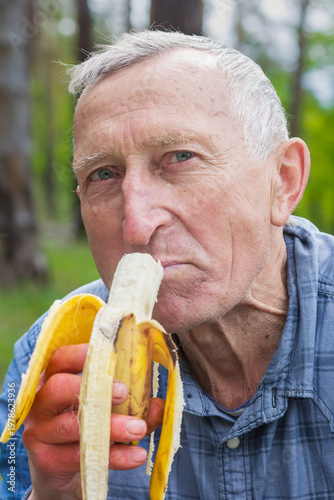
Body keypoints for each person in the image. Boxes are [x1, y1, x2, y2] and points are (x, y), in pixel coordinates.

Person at [1, 29, 334, 500]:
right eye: (103, 174)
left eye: (180, 157)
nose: (136, 226)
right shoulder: (50, 360)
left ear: (283, 181)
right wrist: (52, 493)